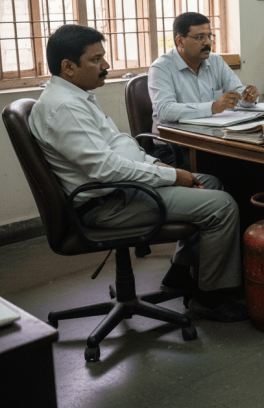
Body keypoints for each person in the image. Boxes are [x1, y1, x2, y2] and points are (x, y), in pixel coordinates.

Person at [30, 25, 247, 322]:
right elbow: (106, 169)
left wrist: (159, 166)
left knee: (209, 182)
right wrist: (171, 177)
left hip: (121, 189)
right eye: (96, 60)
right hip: (108, 205)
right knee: (221, 205)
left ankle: (181, 274)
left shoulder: (76, 96)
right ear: (68, 67)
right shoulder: (65, 107)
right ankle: (210, 299)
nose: (105, 66)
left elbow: (118, 148)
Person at [148, 12, 258, 165]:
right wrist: (213, 107)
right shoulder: (161, 68)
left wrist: (247, 98)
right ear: (179, 41)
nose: (207, 43)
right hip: (176, 148)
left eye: (209, 36)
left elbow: (237, 93)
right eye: (200, 37)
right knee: (225, 167)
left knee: (251, 161)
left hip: (213, 142)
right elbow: (164, 110)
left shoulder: (216, 62)